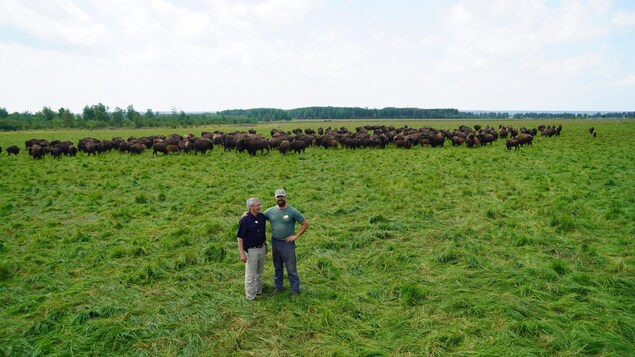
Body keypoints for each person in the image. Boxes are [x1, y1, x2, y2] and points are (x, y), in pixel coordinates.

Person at [263, 189, 309, 297]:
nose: (280, 199)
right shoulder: (270, 211)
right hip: (275, 242)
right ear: (275, 198)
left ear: (285, 197)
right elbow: (259, 218)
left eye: (281, 197)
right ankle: (278, 288)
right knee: (277, 266)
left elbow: (305, 223)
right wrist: (247, 214)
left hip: (287, 244)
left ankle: (295, 291)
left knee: (291, 268)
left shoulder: (292, 211)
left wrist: (296, 236)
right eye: (278, 197)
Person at [237, 197, 267, 301]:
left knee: (259, 271)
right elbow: (240, 237)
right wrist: (242, 253)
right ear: (251, 207)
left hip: (262, 248)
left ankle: (258, 291)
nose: (260, 206)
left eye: (259, 204)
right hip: (251, 251)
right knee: (250, 274)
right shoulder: (244, 220)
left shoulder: (262, 217)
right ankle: (250, 296)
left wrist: (265, 246)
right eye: (257, 205)